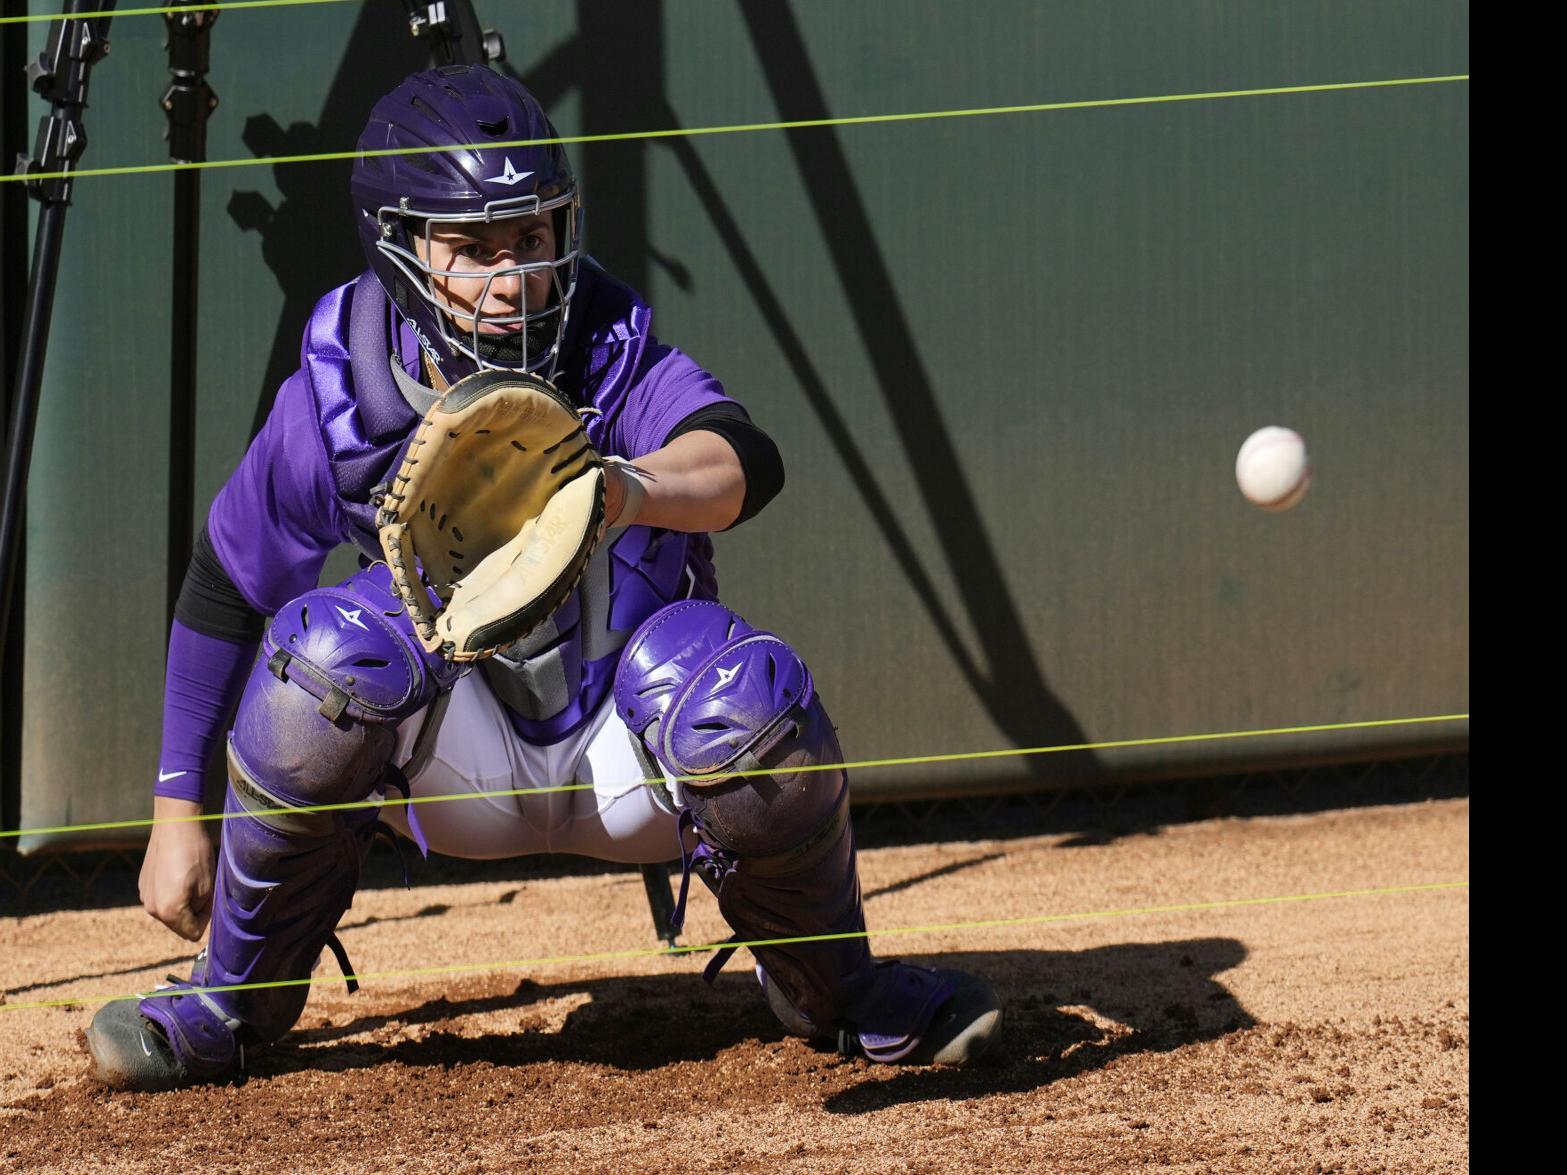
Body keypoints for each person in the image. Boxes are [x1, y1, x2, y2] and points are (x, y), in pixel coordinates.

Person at [85, 64, 1001, 1090]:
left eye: (529, 237)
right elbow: (226, 584)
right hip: (449, 764)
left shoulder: (608, 341)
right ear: (398, 248)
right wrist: (176, 811)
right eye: (472, 248)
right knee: (324, 660)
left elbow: (742, 459)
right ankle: (233, 1001)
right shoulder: (341, 385)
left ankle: (836, 989)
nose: (510, 276)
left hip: (628, 750)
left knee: (745, 696)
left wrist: (625, 485)